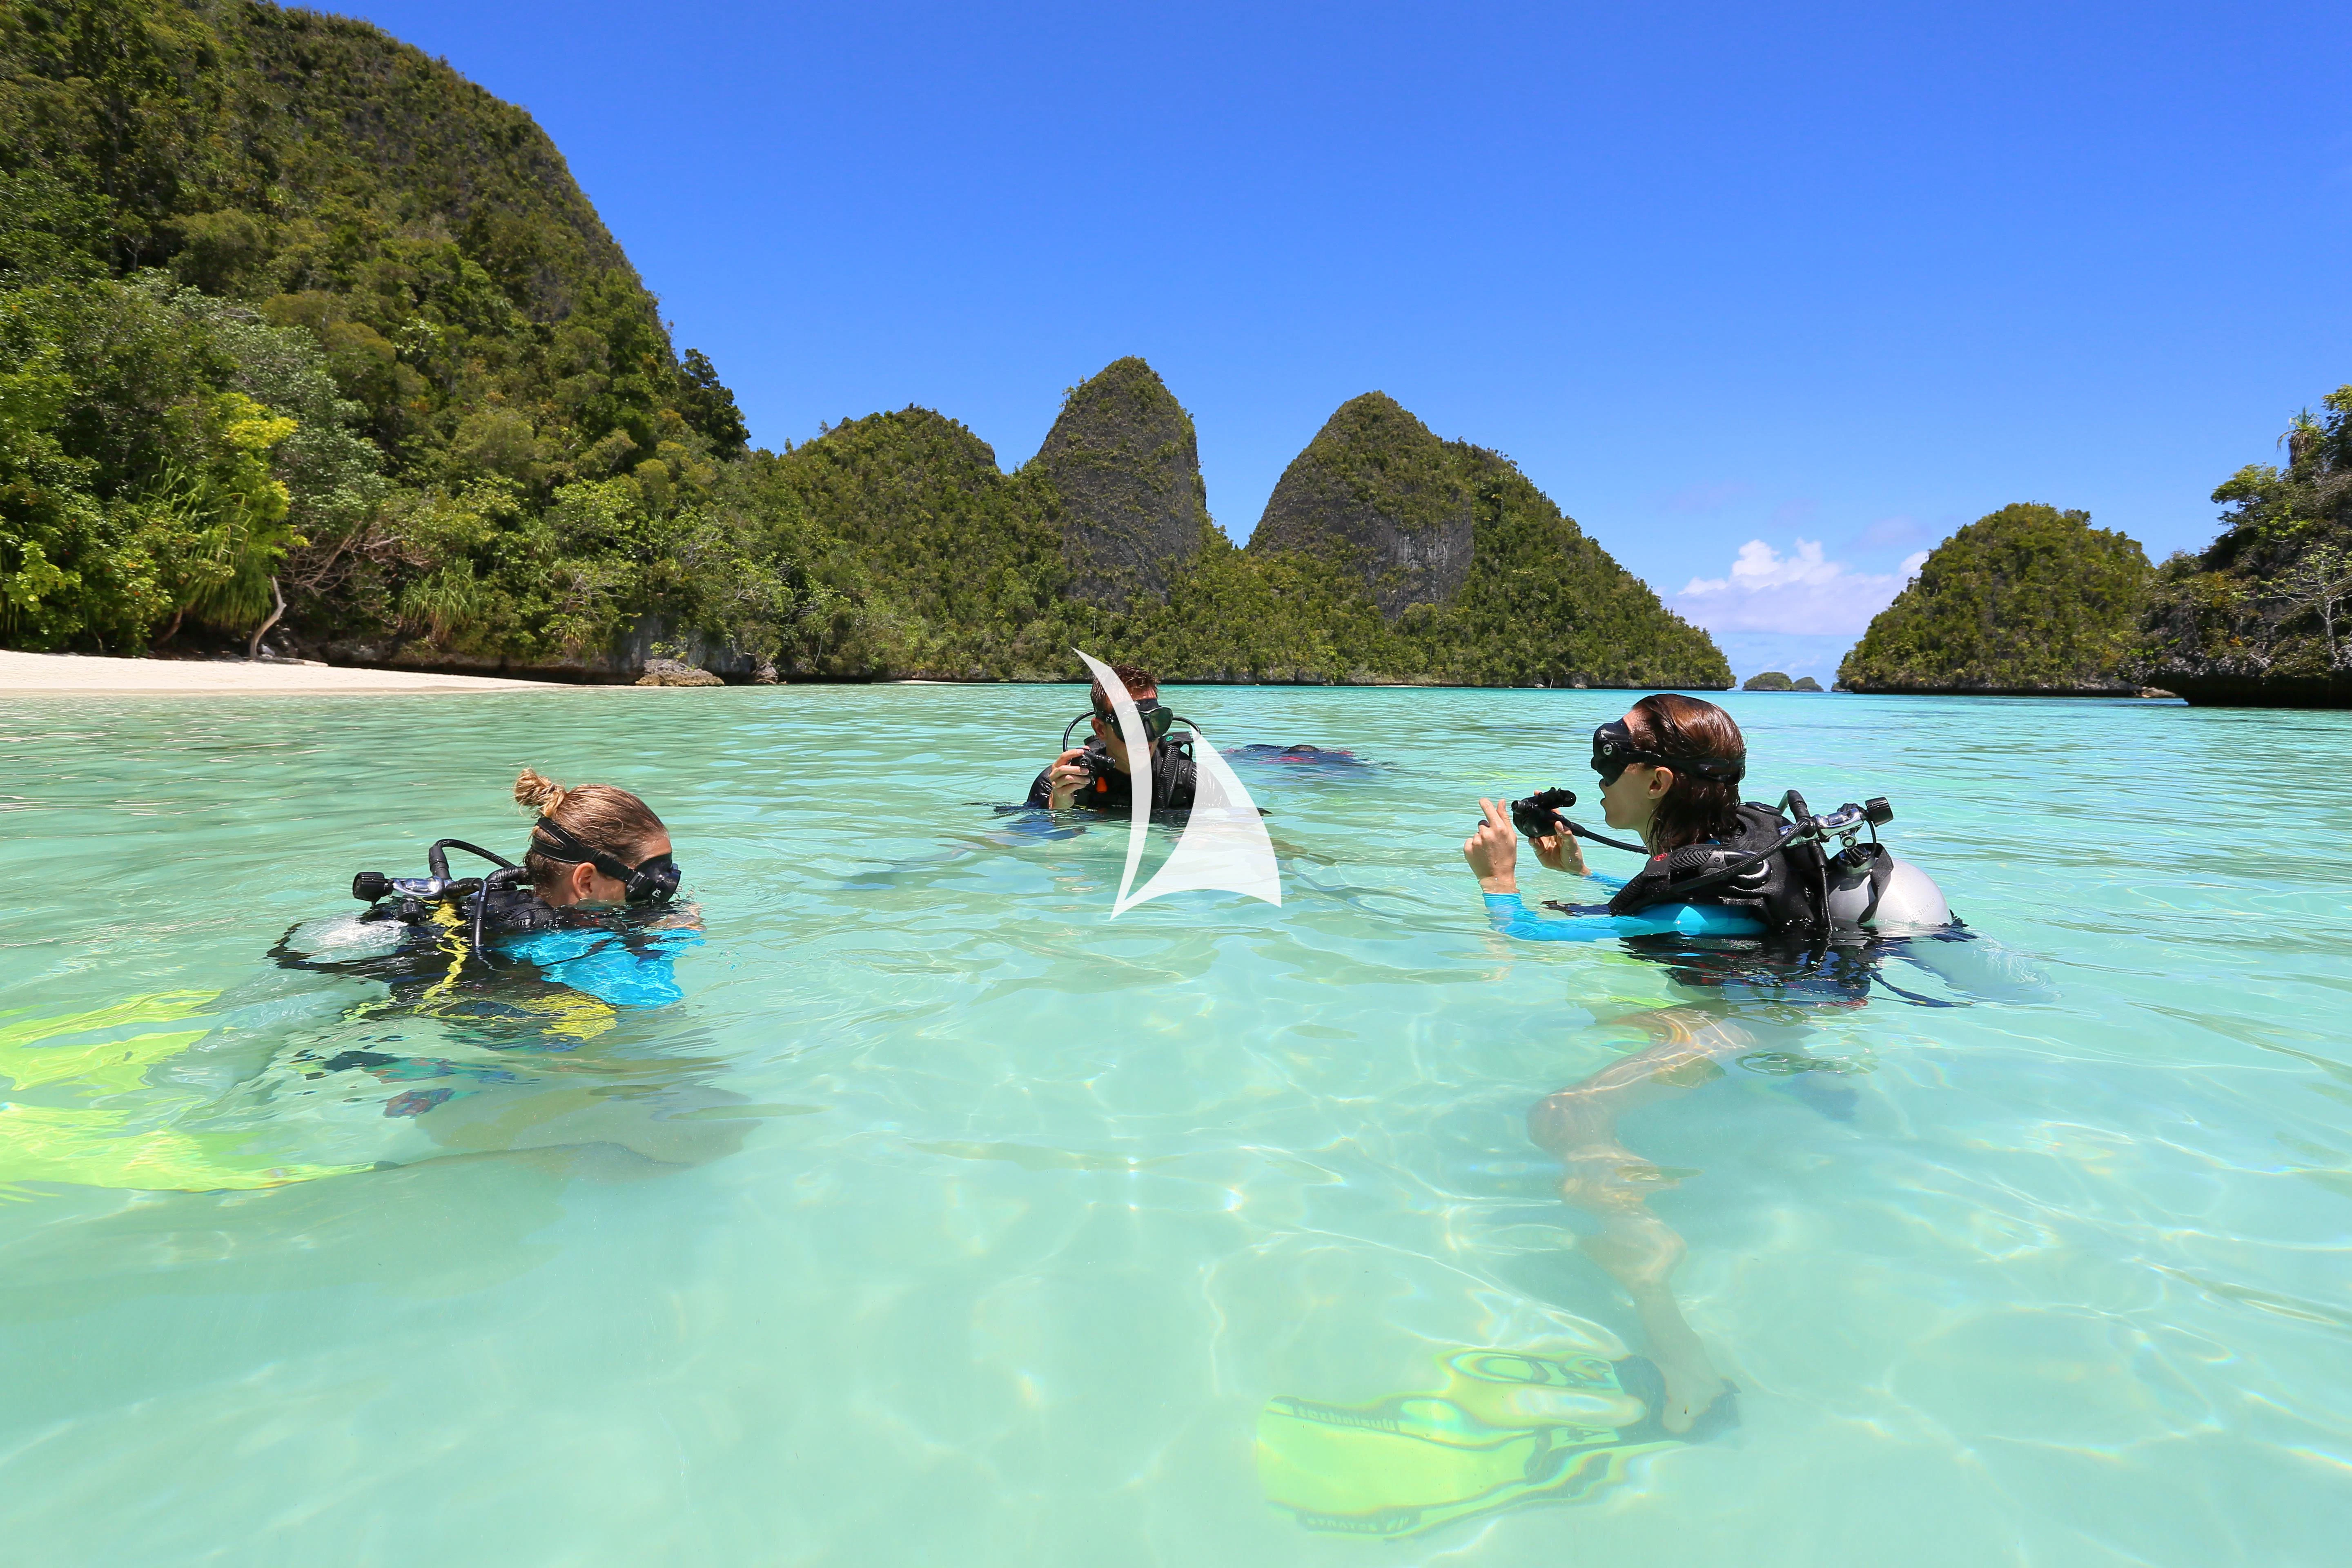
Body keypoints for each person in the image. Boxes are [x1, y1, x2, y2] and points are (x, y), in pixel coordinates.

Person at [1026, 662, 1198, 815]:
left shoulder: (1188, 777)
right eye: (1131, 724)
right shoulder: (1058, 782)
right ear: (1101, 730)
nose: (1147, 738)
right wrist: (1058, 808)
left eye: (1157, 721)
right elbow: (1019, 838)